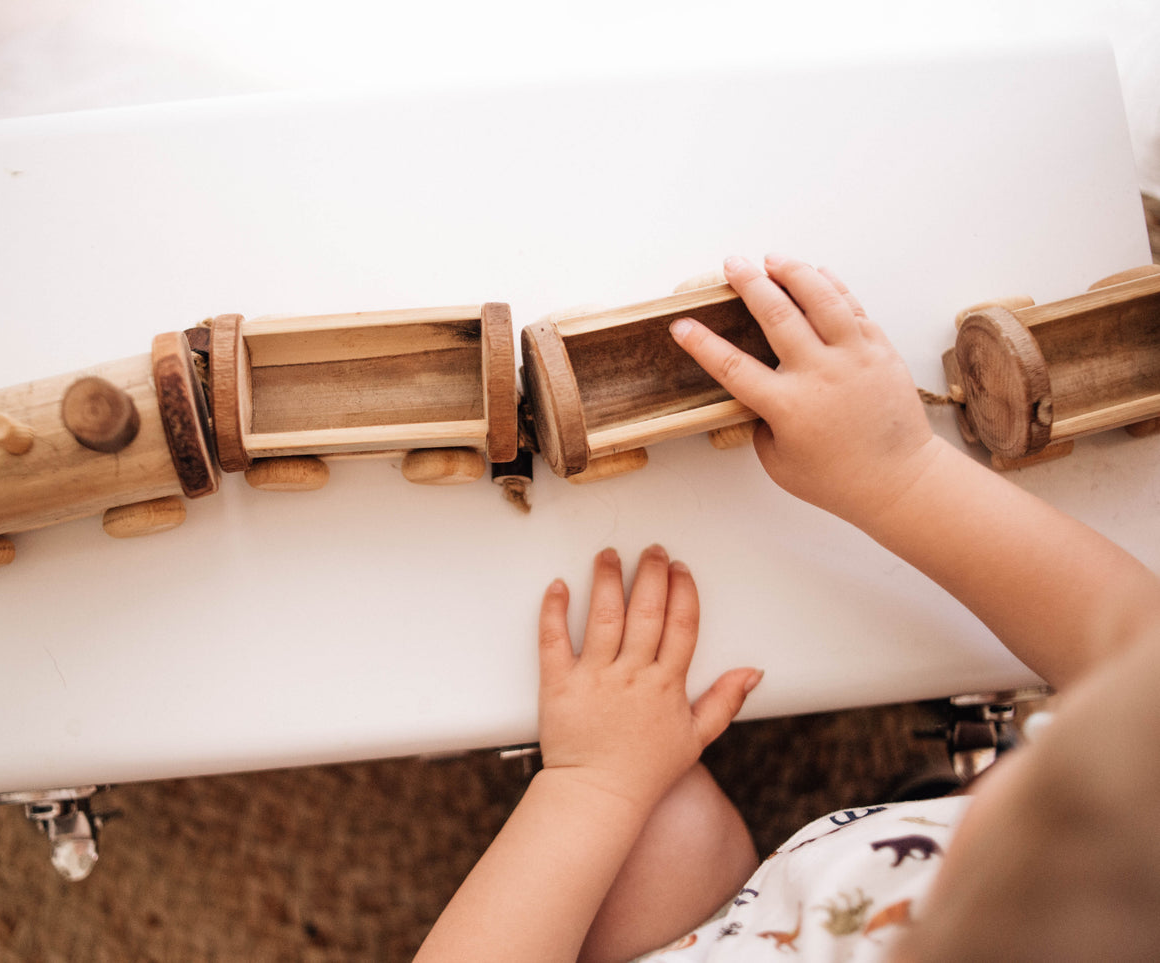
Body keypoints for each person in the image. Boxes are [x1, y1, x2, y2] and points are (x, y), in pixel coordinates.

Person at [413, 255, 1160, 963]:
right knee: (670, 818)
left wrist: (591, 779)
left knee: (653, 821)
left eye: (1043, 777)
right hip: (806, 907)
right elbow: (1134, 642)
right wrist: (899, 474)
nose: (1030, 757)